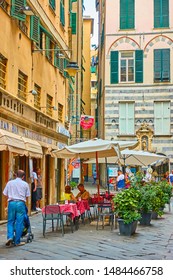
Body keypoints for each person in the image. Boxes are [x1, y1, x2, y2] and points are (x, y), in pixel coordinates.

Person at [3, 170, 30, 247]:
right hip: (21, 203)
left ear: (16, 175)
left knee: (10, 221)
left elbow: (5, 193)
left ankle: (10, 237)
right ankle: (17, 241)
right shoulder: (25, 184)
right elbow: (27, 196)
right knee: (19, 222)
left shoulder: (10, 183)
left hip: (11, 203)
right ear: (23, 177)